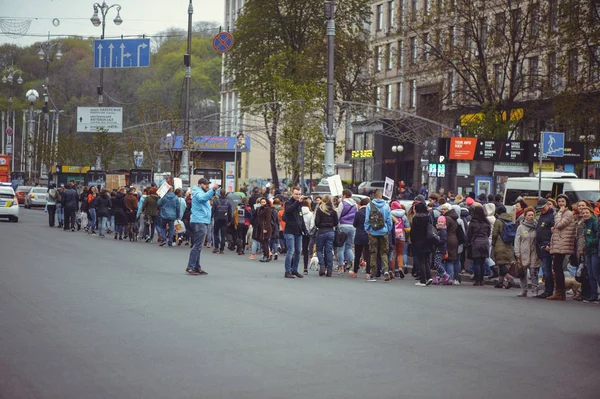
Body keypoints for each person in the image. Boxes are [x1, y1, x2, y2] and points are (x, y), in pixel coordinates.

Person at [186, 178, 220, 275]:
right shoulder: (198, 192)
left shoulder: (198, 192)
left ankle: (196, 267)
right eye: (205, 185)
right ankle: (191, 267)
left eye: (208, 185)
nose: (207, 186)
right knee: (197, 246)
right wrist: (212, 190)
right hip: (199, 221)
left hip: (200, 220)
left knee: (198, 246)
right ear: (200, 184)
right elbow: (202, 198)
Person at [548, 194, 575, 300]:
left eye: (562, 201)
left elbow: (559, 225)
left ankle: (560, 291)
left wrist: (559, 213)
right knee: (556, 267)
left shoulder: (568, 213)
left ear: (566, 202)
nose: (560, 204)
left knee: (557, 267)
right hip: (559, 243)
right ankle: (560, 291)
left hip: (563, 244)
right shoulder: (560, 213)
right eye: (559, 202)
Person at [364, 189, 393, 282]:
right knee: (384, 252)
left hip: (373, 232)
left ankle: (373, 275)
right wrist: (387, 229)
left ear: (374, 195)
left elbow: (367, 219)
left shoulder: (369, 205)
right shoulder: (386, 206)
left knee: (373, 253)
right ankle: (385, 271)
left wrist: (367, 229)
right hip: (383, 231)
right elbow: (389, 220)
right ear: (381, 196)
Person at [514, 207, 540, 297]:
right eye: (529, 215)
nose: (531, 217)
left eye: (532, 215)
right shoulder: (520, 227)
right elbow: (517, 241)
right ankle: (524, 290)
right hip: (523, 252)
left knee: (533, 272)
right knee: (523, 272)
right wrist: (517, 253)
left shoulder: (537, 226)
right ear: (525, 216)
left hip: (534, 252)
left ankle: (535, 290)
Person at [283, 187, 308, 279]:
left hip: (298, 231)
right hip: (289, 231)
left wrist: (305, 230)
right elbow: (289, 210)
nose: (298, 196)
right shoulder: (288, 203)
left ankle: (295, 270)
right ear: (292, 194)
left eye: (299, 194)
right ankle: (287, 271)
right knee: (291, 251)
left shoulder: (300, 205)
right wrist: (297, 202)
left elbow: (301, 218)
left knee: (298, 251)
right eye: (296, 194)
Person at [535, 198, 555, 298]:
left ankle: (549, 290)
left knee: (547, 271)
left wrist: (549, 244)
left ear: (548, 205)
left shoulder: (552, 216)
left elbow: (553, 232)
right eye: (540, 209)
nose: (541, 210)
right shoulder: (542, 215)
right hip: (541, 246)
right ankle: (548, 290)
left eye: (543, 208)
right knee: (545, 270)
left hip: (547, 246)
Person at [410, 201, 433, 286]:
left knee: (421, 260)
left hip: (418, 241)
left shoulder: (416, 218)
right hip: (428, 240)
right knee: (426, 259)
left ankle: (423, 279)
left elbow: (413, 232)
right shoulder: (428, 216)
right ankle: (429, 276)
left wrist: (412, 241)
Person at [315, 194, 338, 277]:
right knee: (329, 251)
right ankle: (329, 269)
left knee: (319, 250)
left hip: (321, 231)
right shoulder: (333, 211)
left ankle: (322, 266)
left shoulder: (319, 209)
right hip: (330, 231)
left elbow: (316, 222)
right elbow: (336, 222)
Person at [467, 205, 492, 286]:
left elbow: (469, 234)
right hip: (485, 242)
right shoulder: (486, 222)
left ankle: (477, 280)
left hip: (476, 242)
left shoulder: (473, 222)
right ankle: (482, 280)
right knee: (482, 262)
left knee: (477, 262)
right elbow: (488, 233)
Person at [336, 189, 357, 273]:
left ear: (344, 195)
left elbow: (338, 215)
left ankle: (341, 266)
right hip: (352, 227)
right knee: (349, 247)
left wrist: (337, 226)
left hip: (343, 226)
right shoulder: (355, 204)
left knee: (341, 248)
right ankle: (354, 262)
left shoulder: (342, 203)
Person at [580, 206, 599, 303]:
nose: (585, 215)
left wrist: (590, 242)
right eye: (583, 213)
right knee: (590, 274)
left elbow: (597, 238)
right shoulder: (585, 223)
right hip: (587, 251)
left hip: (594, 251)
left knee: (596, 274)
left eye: (586, 212)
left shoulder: (594, 222)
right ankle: (593, 295)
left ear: (591, 213)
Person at [350, 198, 371, 278]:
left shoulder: (358, 213)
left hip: (359, 235)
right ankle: (368, 273)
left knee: (357, 255)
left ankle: (355, 272)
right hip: (368, 235)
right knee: (368, 255)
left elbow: (354, 224)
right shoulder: (370, 213)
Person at [390, 201, 408, 278]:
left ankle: (393, 271)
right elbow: (407, 228)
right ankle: (400, 267)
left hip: (392, 236)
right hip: (402, 237)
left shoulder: (390, 214)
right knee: (400, 254)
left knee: (393, 254)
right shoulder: (404, 216)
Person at [211, 189, 232, 254]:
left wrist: (211, 218)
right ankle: (222, 249)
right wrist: (229, 220)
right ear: (225, 193)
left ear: (220, 193)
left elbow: (213, 211)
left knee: (216, 233)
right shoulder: (228, 202)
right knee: (223, 235)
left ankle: (216, 248)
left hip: (217, 219)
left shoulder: (216, 201)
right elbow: (230, 212)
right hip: (225, 219)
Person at [433, 216, 449, 285]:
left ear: (444, 223)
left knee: (437, 264)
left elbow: (442, 240)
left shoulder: (442, 231)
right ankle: (437, 277)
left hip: (440, 249)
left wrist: (436, 241)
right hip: (438, 249)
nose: (440, 223)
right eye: (439, 222)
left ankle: (445, 274)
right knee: (438, 263)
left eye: (442, 222)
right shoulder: (438, 230)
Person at [256, 198, 274, 263]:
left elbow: (268, 219)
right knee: (263, 242)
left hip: (265, 227)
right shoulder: (260, 209)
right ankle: (265, 255)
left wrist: (265, 228)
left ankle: (266, 256)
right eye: (261, 202)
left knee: (265, 242)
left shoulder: (267, 209)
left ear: (266, 202)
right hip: (261, 226)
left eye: (264, 202)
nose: (262, 203)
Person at [301, 199, 315, 274]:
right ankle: (305, 268)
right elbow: (312, 224)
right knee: (305, 250)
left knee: (295, 249)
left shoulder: (298, 212)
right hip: (306, 233)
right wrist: (308, 230)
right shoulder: (310, 213)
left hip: (298, 232)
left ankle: (292, 266)